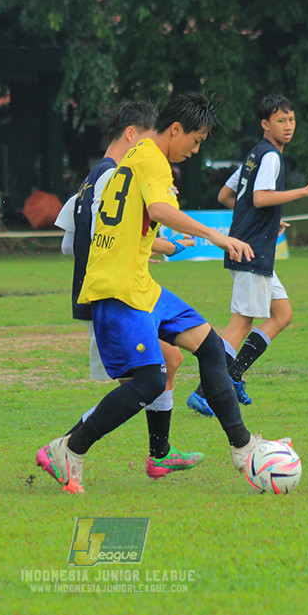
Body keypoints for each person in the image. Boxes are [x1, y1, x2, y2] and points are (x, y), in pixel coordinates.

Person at [36, 92, 284, 494]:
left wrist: (150, 246)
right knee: (150, 381)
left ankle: (243, 448)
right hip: (118, 290)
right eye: (196, 139)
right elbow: (163, 211)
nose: (195, 149)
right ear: (175, 129)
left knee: (210, 348)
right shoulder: (153, 161)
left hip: (138, 283)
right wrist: (218, 237)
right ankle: (70, 448)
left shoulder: (134, 157)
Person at [51, 101, 203, 481]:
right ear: (134, 133)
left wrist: (133, 252)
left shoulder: (91, 178)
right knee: (144, 383)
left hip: (108, 290)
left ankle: (160, 453)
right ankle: (64, 448)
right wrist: (148, 250)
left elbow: (71, 244)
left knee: (168, 364)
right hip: (113, 299)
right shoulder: (119, 174)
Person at [186, 95, 308, 416]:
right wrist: (304, 192)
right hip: (251, 250)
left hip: (251, 245)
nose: (288, 126)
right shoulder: (271, 157)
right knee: (241, 323)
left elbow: (227, 194)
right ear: (266, 124)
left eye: (290, 120)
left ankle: (233, 374)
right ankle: (205, 391)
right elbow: (261, 198)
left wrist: (265, 221)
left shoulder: (253, 155)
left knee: (282, 315)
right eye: (280, 121)